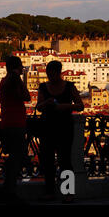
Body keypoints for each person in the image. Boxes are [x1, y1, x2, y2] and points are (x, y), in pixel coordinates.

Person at [36, 60, 84, 203]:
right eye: (48, 74)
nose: (50, 77)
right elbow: (38, 106)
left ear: (59, 73)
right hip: (48, 127)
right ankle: (51, 192)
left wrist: (64, 107)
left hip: (64, 127)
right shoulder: (43, 87)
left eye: (52, 74)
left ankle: (68, 193)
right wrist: (46, 103)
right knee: (48, 161)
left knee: (65, 160)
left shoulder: (69, 86)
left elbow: (80, 105)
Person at [0, 56, 30, 204]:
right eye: (21, 66)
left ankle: (8, 189)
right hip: (16, 124)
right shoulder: (15, 81)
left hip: (6, 123)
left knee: (14, 158)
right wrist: (21, 78)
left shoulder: (3, 81)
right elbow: (27, 96)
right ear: (18, 67)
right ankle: (9, 191)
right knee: (18, 158)